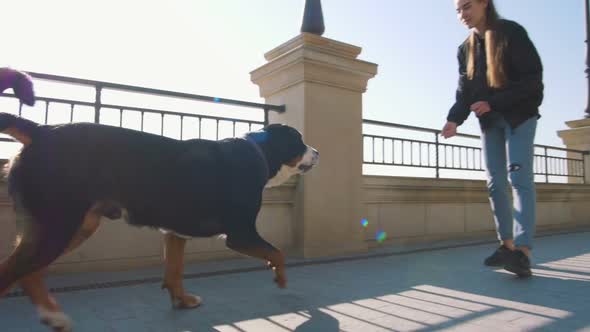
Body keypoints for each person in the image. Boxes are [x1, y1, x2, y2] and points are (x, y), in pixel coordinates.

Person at [442, 0, 543, 277]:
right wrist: (454, 119)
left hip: (519, 116)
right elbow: (464, 92)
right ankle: (506, 246)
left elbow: (533, 81)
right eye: (458, 10)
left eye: (467, 6)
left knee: (519, 178)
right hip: (490, 122)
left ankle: (523, 252)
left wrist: (494, 103)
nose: (462, 14)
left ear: (484, 3)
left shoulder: (512, 33)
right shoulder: (465, 49)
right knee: (494, 183)